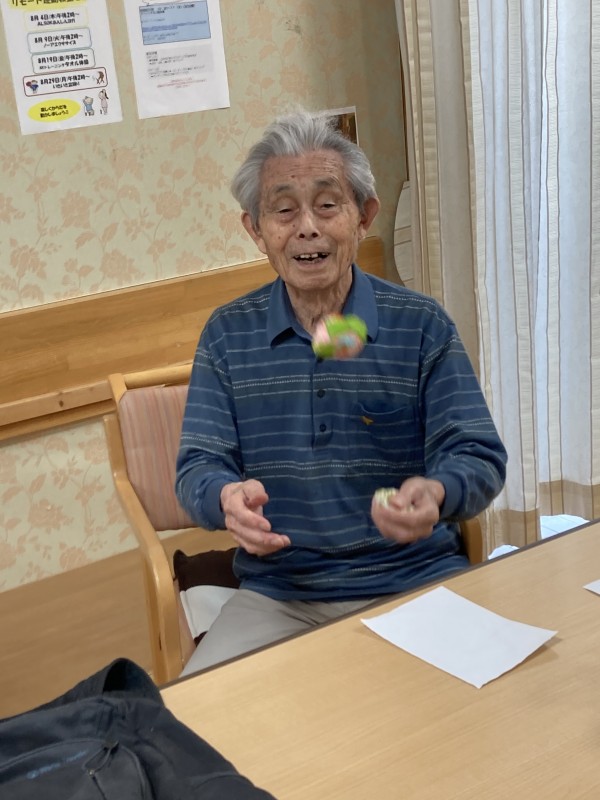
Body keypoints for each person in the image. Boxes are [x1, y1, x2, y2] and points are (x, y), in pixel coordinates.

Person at [175, 108, 507, 676]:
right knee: (200, 719)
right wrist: (225, 497)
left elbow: (478, 455)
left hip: (413, 580)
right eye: (284, 210)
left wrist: (437, 491)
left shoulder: (421, 325)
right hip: (279, 593)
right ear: (256, 230)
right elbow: (197, 467)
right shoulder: (227, 335)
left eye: (328, 205)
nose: (307, 227)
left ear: (363, 217)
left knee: (483, 714)